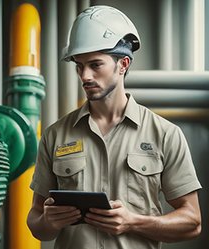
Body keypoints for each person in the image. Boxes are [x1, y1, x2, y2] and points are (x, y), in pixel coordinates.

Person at [27, 5, 202, 249]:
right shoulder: (55, 135)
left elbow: (192, 222)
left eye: (95, 65)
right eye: (79, 65)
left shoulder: (165, 134)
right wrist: (49, 220)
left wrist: (134, 222)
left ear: (123, 64)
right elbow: (37, 224)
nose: (85, 76)